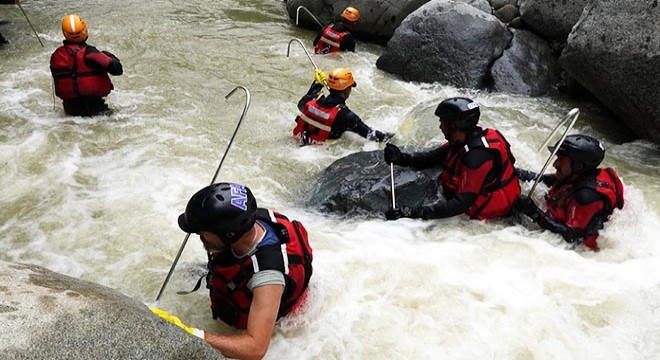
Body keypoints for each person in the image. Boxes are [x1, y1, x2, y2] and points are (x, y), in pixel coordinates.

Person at [152, 182, 313, 359]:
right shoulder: (245, 222)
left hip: (281, 315)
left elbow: (255, 349)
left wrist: (191, 334)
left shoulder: (267, 277)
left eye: (204, 232)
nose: (199, 235)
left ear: (229, 234)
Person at [384, 97, 521, 220]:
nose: (440, 126)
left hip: (488, 220)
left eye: (442, 122)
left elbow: (458, 205)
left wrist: (410, 212)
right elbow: (433, 157)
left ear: (453, 126)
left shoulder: (476, 157)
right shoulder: (464, 140)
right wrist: (402, 158)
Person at [514, 134, 624, 250]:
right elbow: (540, 179)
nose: (555, 164)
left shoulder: (586, 196)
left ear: (578, 166)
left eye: (561, 159)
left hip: (582, 250)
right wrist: (510, 169)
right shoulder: (573, 175)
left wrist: (534, 212)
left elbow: (571, 236)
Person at [292, 67, 393, 145]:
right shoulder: (346, 116)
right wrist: (394, 137)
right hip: (320, 150)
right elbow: (371, 135)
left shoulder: (313, 99)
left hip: (295, 141)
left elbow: (301, 105)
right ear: (347, 90)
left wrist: (317, 84)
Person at [50, 14, 122, 116]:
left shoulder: (57, 55)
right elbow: (117, 70)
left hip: (70, 111)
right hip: (95, 109)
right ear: (85, 30)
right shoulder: (91, 53)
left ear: (64, 33)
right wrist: (108, 55)